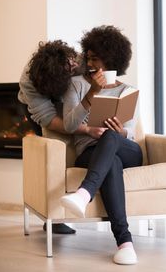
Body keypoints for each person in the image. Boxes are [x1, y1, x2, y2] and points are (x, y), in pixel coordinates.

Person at [60, 25, 143, 265]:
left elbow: (131, 133)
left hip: (127, 149)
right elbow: (69, 124)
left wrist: (121, 132)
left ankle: (84, 193)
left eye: (96, 58)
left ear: (111, 59)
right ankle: (125, 243)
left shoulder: (128, 90)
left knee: (111, 138)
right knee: (111, 162)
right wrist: (93, 93)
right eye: (88, 57)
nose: (90, 63)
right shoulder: (76, 85)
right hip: (89, 152)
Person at [18, 40, 80, 234]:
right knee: (52, 156)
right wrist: (84, 129)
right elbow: (50, 119)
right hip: (40, 110)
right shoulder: (29, 82)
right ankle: (54, 217)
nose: (74, 68)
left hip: (68, 99)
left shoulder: (76, 61)